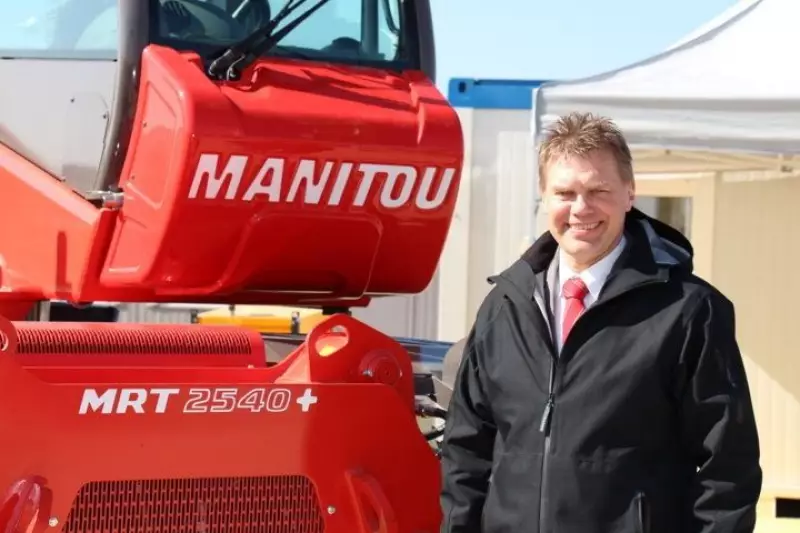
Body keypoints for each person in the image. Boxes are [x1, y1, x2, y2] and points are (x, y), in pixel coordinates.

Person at [439, 112, 762, 533]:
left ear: (630, 193)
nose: (580, 209)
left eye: (598, 190)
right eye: (564, 192)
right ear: (543, 196)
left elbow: (728, 470)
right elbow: (466, 453)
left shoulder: (689, 312)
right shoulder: (504, 307)